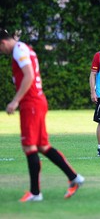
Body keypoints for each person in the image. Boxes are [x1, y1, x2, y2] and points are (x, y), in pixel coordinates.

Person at [0, 28, 84, 202]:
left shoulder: (19, 50)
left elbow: (29, 76)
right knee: (42, 146)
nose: (1, 52)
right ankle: (74, 178)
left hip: (31, 103)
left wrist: (15, 101)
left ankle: (35, 193)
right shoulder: (23, 48)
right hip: (36, 102)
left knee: (30, 147)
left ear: (3, 43)